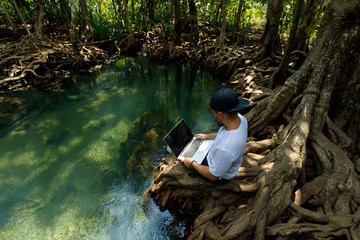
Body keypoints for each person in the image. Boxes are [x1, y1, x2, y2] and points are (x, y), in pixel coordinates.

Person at [181, 88, 249, 181]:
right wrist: (206, 136)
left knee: (177, 152)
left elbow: (213, 175)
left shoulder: (225, 148)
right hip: (217, 159)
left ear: (221, 115)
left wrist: (192, 163)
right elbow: (225, 134)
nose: (214, 116)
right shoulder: (240, 119)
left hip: (216, 174)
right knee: (186, 146)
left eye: (214, 114)